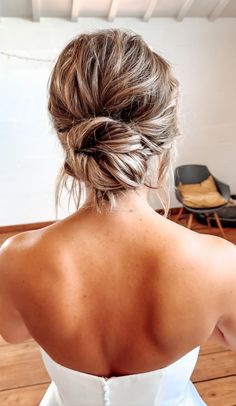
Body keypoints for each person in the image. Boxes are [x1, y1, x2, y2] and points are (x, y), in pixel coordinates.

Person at [0, 28, 236, 406]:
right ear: (165, 136)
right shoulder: (219, 264)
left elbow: (12, 333)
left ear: (65, 133)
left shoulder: (15, 257)